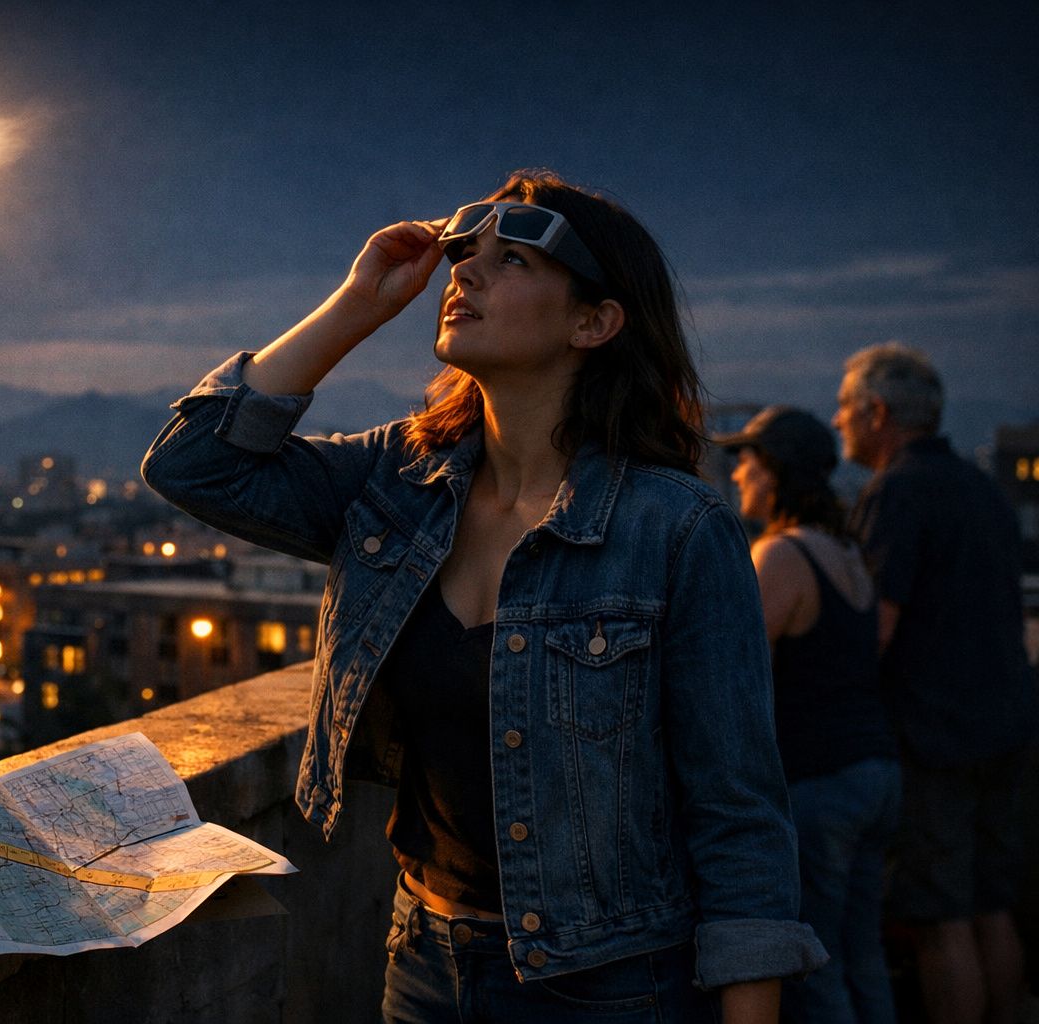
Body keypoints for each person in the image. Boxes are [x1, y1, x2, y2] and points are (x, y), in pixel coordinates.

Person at [142, 169, 825, 1022]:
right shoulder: (398, 481)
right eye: (465, 253)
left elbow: (740, 812)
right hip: (424, 960)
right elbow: (193, 463)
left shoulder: (677, 531)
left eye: (514, 261)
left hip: (613, 984)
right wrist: (360, 304)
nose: (463, 273)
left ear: (595, 321)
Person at [833, 343, 1037, 1024]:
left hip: (932, 739)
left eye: (844, 407)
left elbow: (875, 629)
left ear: (878, 412)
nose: (838, 423)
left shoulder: (896, 493)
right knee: (992, 908)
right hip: (1006, 728)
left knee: (939, 921)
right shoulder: (982, 490)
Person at [722, 406, 900, 1023]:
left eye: (747, 458)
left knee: (813, 967)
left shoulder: (779, 556)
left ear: (774, 471)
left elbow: (729, 676)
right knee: (861, 953)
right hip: (874, 772)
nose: (738, 471)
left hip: (820, 782)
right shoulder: (845, 549)